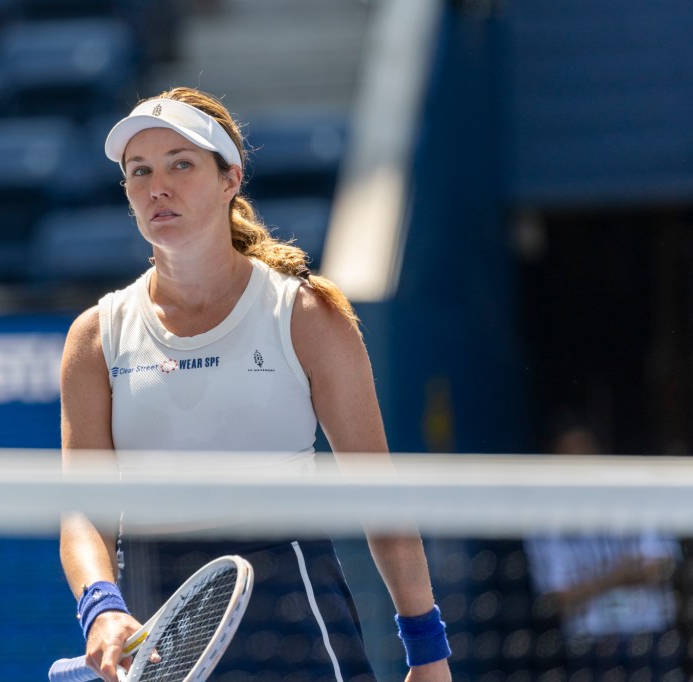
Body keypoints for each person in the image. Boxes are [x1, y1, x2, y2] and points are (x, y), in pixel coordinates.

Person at [59, 87, 452, 681]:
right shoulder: (95, 336)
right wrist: (100, 609)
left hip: (293, 607)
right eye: (139, 171)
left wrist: (428, 653)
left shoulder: (307, 316)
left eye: (181, 164)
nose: (156, 186)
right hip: (152, 616)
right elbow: (80, 510)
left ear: (229, 179)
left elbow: (381, 495)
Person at [523, 420, 684, 679]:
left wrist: (589, 586)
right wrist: (619, 575)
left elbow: (662, 568)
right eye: (569, 457)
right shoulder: (545, 521)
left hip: (652, 642)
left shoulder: (639, 498)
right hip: (590, 650)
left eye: (584, 453)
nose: (579, 464)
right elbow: (559, 601)